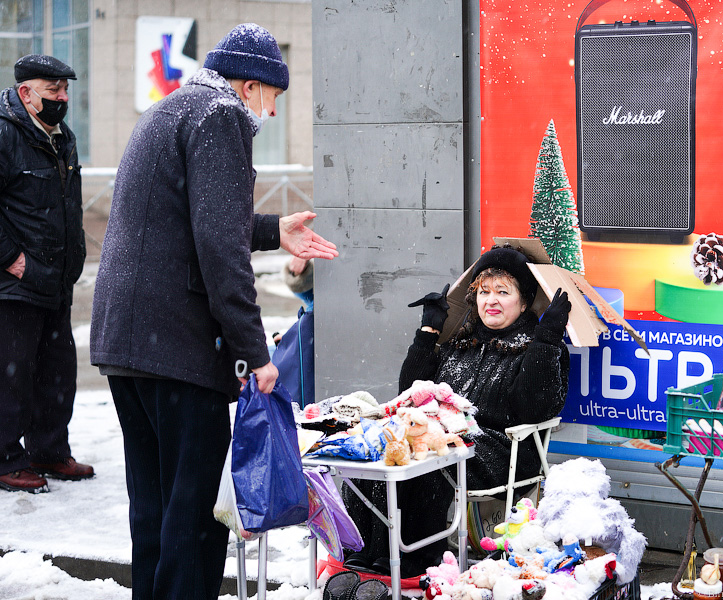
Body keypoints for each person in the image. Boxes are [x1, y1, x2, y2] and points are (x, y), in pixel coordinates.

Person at [89, 23, 338, 599]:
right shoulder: (220, 115)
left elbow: (189, 217)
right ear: (250, 87)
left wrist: (275, 229)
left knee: (153, 507)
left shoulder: (172, 107)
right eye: (272, 99)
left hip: (129, 343)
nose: (270, 115)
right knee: (197, 515)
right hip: (177, 346)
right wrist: (256, 353)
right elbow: (219, 247)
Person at [342, 244, 571, 577]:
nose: (490, 300)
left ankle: (414, 559)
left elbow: (533, 409)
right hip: (442, 436)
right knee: (378, 454)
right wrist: (428, 333)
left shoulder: (539, 347)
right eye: (484, 291)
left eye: (503, 292)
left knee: (432, 462)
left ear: (523, 302)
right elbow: (410, 391)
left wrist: (547, 340)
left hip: (501, 448)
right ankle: (364, 552)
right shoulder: (460, 340)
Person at [0, 54, 94, 494]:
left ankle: (49, 451)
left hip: (56, 281)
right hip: (16, 283)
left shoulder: (63, 138)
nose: (63, 98)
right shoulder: (4, 133)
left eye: (64, 89)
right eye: (53, 90)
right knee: (11, 374)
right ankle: (5, 458)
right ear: (25, 93)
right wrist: (12, 260)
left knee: (57, 373)